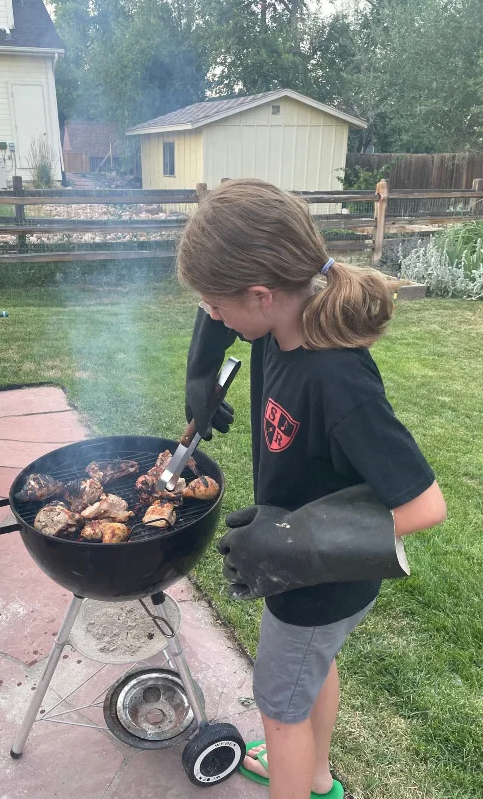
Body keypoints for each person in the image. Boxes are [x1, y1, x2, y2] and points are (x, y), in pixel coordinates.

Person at [179, 178, 447, 799]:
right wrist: (200, 371)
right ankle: (316, 778)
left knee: (279, 705)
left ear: (261, 294)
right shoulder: (275, 331)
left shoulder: (337, 379)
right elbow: (219, 312)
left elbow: (425, 506)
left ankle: (298, 774)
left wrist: (293, 538)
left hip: (321, 579)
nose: (212, 315)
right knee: (307, 677)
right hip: (300, 570)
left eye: (217, 304)